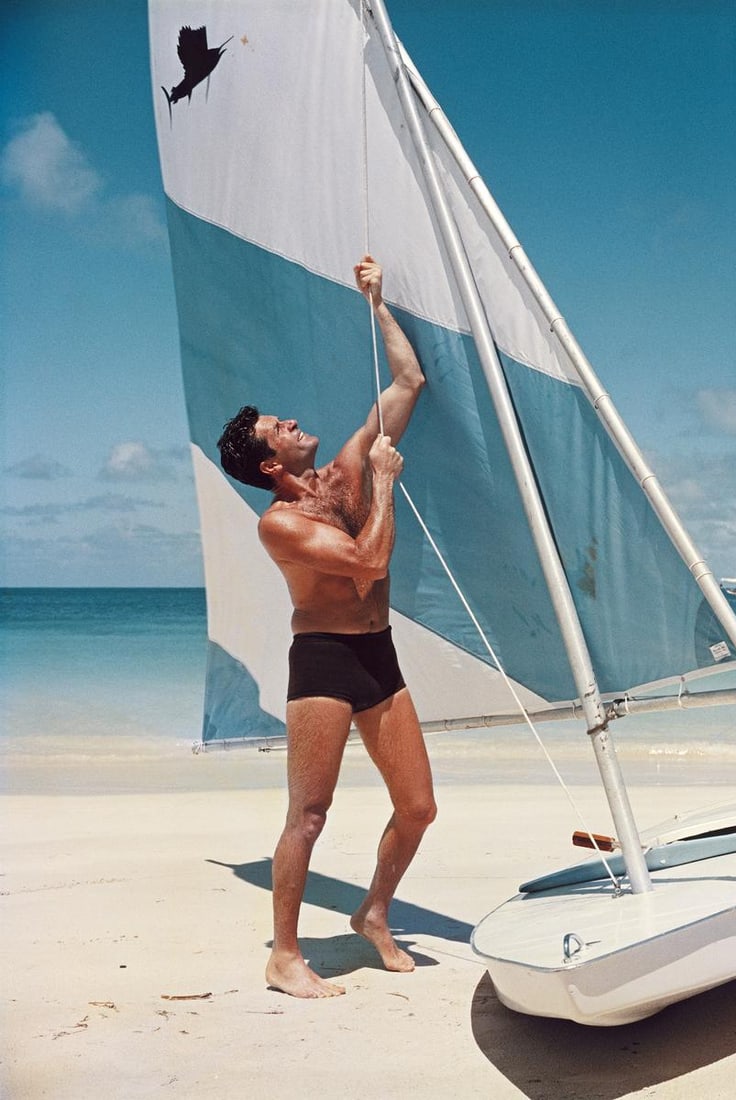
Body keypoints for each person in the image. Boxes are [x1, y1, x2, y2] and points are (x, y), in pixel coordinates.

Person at [216, 255, 434, 997]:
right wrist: (388, 484)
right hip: (323, 664)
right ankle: (283, 955)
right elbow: (367, 567)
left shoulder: (341, 475)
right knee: (308, 815)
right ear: (269, 463)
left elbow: (407, 384)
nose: (294, 421)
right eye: (281, 426)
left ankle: (372, 912)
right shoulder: (280, 525)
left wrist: (376, 302)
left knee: (418, 807)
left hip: (377, 654)